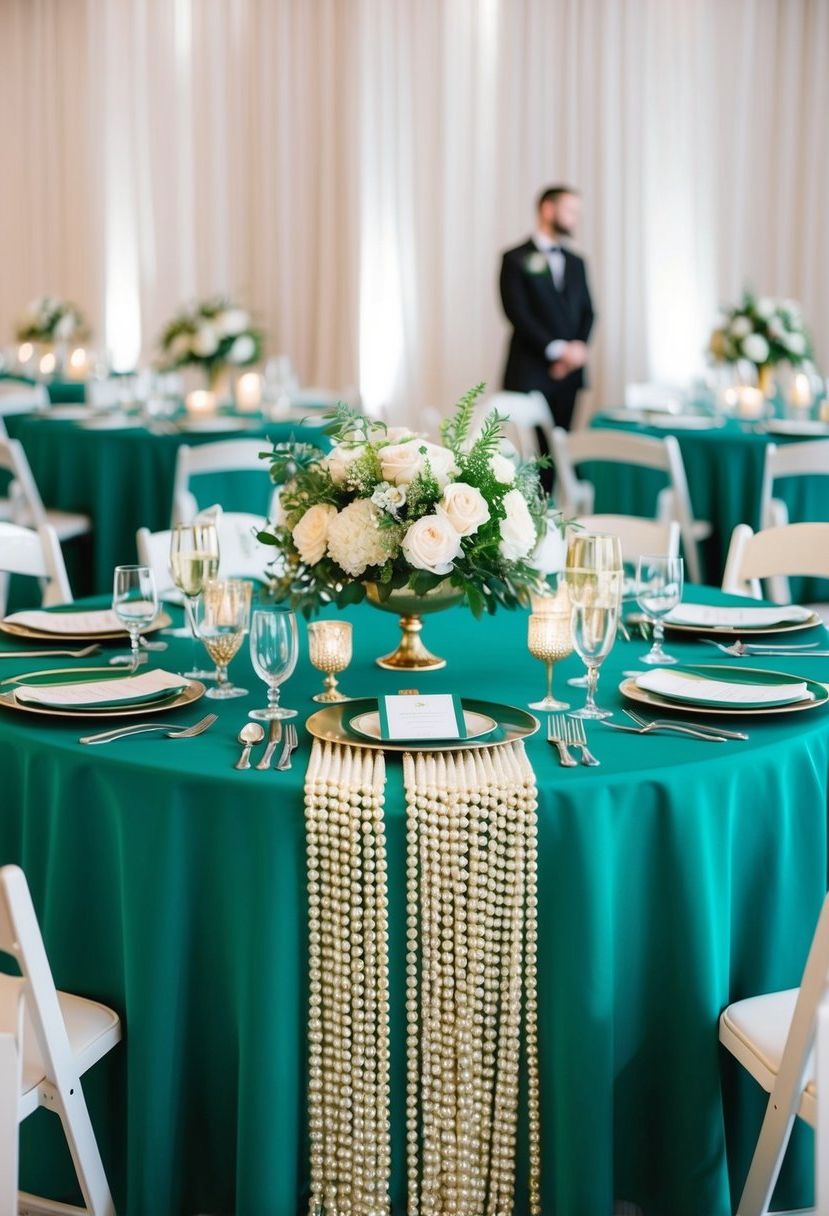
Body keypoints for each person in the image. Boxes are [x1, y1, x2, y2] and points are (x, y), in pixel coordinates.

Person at [499, 184, 595, 432]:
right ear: (548, 209)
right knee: (532, 456)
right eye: (570, 210)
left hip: (569, 374)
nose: (574, 218)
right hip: (531, 369)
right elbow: (517, 312)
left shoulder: (577, 262)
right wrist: (557, 350)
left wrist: (577, 351)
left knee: (561, 445)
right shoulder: (515, 258)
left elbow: (588, 311)